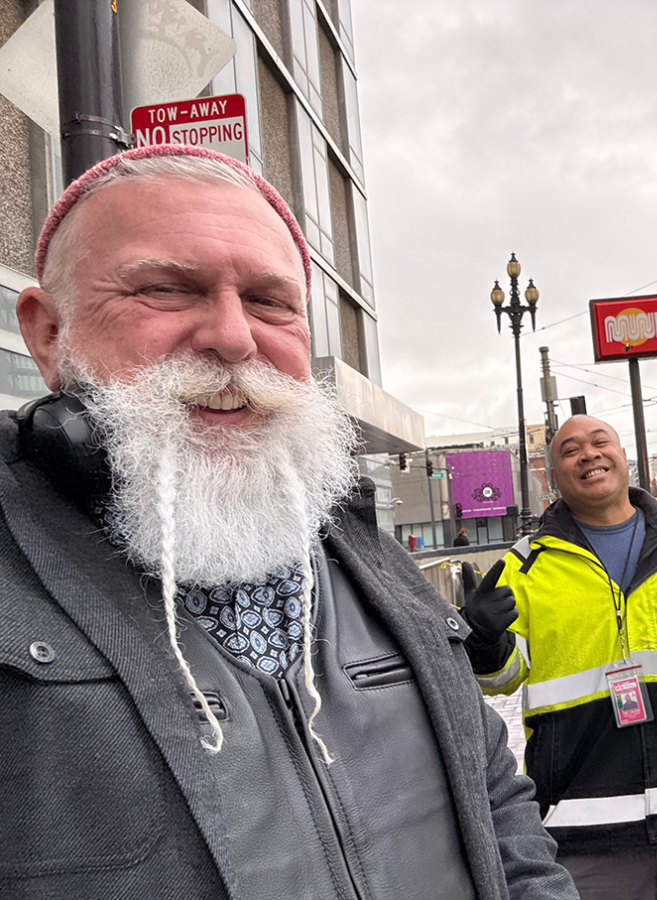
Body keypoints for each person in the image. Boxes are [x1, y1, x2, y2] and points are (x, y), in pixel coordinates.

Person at [1, 145, 577, 900]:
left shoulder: (367, 554)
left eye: (272, 301)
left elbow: (496, 800)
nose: (235, 338)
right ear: (48, 333)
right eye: (168, 289)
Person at [459, 414, 657, 900]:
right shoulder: (526, 566)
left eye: (599, 441)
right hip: (587, 828)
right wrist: (481, 639)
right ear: (552, 476)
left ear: (622, 457)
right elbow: (502, 677)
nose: (588, 453)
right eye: (570, 450)